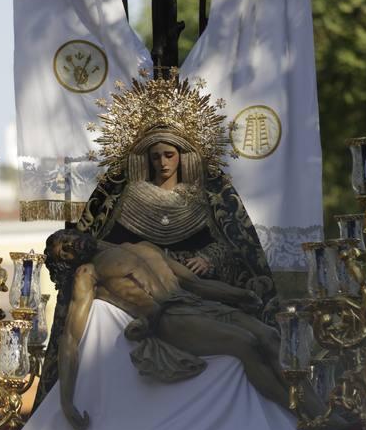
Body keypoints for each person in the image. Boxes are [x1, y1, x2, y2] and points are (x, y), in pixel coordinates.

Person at [36, 73, 278, 410]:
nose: (162, 163)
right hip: (160, 302)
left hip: (197, 285)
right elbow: (102, 243)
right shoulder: (128, 196)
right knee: (246, 343)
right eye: (155, 156)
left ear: (183, 155)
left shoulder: (204, 196)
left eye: (169, 154)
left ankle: (296, 408)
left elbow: (234, 242)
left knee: (265, 336)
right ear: (145, 158)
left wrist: (211, 257)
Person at [46, 229, 291, 430]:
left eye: (66, 238)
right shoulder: (87, 273)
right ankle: (295, 411)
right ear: (68, 264)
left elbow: (195, 284)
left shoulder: (142, 245)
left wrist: (239, 295)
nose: (70, 246)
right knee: (247, 343)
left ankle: (318, 415)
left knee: (270, 336)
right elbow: (70, 338)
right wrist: (67, 402)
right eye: (64, 252)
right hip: (170, 319)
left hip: (195, 304)